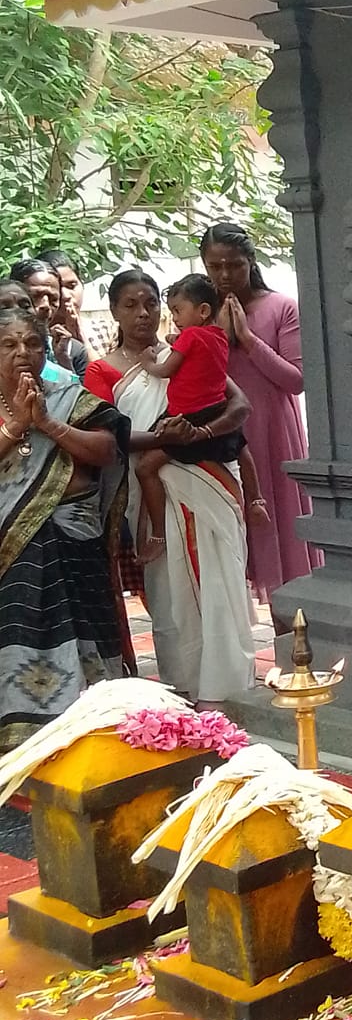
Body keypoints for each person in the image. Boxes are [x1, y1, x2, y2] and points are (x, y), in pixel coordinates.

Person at [85, 271, 257, 703]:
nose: (143, 313)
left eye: (151, 303)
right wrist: (167, 439)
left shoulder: (188, 349)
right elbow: (107, 437)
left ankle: (226, 684)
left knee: (218, 577)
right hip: (153, 492)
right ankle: (183, 683)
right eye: (130, 305)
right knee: (169, 589)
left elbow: (238, 405)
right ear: (114, 312)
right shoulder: (102, 371)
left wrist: (197, 436)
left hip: (206, 475)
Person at [0, 304, 127, 750]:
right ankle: (19, 732)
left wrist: (48, 425)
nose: (23, 352)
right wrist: (16, 425)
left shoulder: (70, 398)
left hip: (73, 538)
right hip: (9, 546)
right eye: (9, 344)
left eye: (33, 343)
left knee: (86, 625)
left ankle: (89, 723)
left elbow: (108, 451)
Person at [199, 221, 318, 605]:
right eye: (215, 266)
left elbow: (296, 379)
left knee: (281, 536)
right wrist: (216, 335)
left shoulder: (280, 307)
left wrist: (248, 340)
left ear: (250, 261)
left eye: (233, 264)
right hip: (223, 435)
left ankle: (292, 642)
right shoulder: (201, 311)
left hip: (273, 433)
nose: (224, 275)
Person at [131, 274, 257, 566]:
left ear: (202, 311)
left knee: (145, 467)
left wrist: (147, 360)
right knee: (241, 448)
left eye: (178, 311)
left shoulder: (190, 337)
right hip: (214, 412)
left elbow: (165, 371)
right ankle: (257, 499)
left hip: (184, 418)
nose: (173, 318)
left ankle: (158, 534)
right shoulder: (219, 338)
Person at [9, 259, 88, 379]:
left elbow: (81, 396)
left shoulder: (72, 350)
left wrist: (63, 360)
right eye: (35, 296)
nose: (46, 305)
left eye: (53, 298)